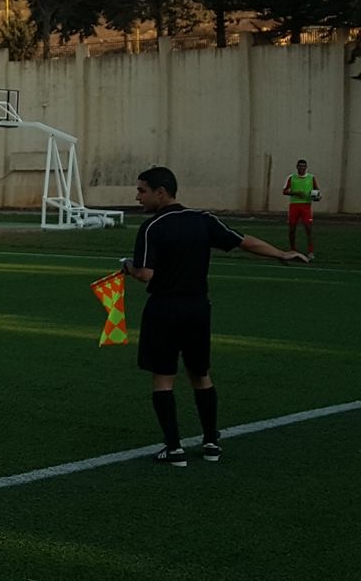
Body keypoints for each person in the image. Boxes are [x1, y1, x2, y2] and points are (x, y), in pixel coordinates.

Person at [121, 166, 307, 467]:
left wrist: (126, 266)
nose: (137, 196)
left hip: (165, 309)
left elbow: (144, 274)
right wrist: (280, 253)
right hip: (197, 309)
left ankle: (174, 449)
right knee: (200, 375)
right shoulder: (203, 220)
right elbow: (243, 241)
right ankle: (211, 443)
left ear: (160, 192)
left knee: (163, 379)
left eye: (142, 190)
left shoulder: (153, 227)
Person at [282, 159, 318, 259]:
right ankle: (292, 249)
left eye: (304, 166)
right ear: (297, 167)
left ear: (306, 167)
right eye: (300, 166)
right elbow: (285, 191)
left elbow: (316, 191)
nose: (302, 168)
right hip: (294, 206)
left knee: (308, 228)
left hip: (306, 206)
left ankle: (310, 251)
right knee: (292, 229)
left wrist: (317, 197)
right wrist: (296, 193)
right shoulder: (291, 177)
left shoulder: (311, 177)